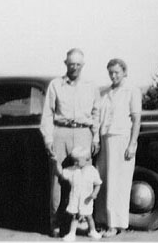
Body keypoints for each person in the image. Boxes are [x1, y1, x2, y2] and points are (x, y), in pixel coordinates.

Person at [40, 48, 101, 237]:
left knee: (84, 178)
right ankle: (56, 223)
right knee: (58, 179)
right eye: (71, 63)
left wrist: (96, 136)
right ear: (65, 63)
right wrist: (48, 138)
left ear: (83, 65)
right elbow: (48, 114)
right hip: (61, 132)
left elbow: (96, 113)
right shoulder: (56, 85)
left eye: (78, 64)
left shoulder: (91, 87)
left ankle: (82, 221)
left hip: (84, 133)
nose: (74, 67)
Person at [94, 58, 142, 237]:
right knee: (103, 180)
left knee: (117, 182)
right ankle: (102, 220)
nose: (113, 76)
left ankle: (115, 224)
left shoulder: (132, 91)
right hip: (104, 138)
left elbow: (136, 119)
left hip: (121, 139)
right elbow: (98, 117)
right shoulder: (105, 92)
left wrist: (132, 144)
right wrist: (96, 139)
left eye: (117, 72)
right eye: (111, 72)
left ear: (124, 72)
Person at [50, 147, 102, 241]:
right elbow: (61, 173)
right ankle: (72, 233)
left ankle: (92, 230)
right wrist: (56, 161)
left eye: (77, 161)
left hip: (87, 199)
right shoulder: (72, 170)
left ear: (87, 160)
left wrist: (94, 194)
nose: (75, 163)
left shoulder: (92, 170)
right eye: (74, 161)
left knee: (89, 216)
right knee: (75, 216)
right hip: (75, 198)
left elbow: (98, 183)